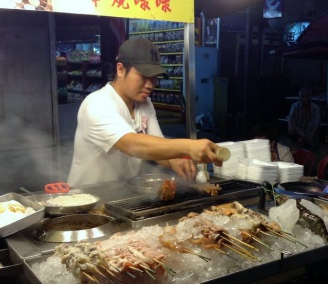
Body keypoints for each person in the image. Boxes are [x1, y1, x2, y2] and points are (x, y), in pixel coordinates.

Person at [68, 38, 223, 186]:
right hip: (87, 199)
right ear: (121, 70)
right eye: (143, 76)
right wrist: (188, 147)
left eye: (154, 78)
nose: (150, 85)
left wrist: (174, 159)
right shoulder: (97, 104)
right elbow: (131, 144)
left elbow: (157, 145)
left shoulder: (145, 103)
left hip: (122, 194)